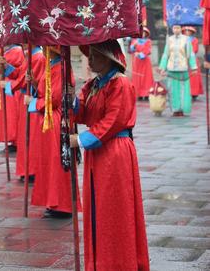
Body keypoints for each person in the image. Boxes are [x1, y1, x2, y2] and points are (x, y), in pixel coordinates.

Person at [70, 40, 149, 271]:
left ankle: (119, 262)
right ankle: (101, 261)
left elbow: (114, 120)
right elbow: (82, 112)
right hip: (99, 151)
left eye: (95, 55)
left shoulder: (120, 84)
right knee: (99, 208)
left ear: (109, 57)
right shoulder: (93, 84)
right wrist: (70, 99)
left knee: (114, 209)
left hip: (114, 152)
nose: (90, 59)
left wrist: (82, 140)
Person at [25, 45, 81, 218]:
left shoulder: (62, 68)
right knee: (49, 162)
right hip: (48, 120)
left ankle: (62, 204)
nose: (44, 49)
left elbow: (54, 99)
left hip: (56, 120)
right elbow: (45, 91)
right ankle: (52, 201)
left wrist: (32, 103)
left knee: (58, 162)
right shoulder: (52, 65)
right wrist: (33, 82)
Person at [3, 45, 45, 180]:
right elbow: (19, 73)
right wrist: (6, 67)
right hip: (27, 101)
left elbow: (24, 81)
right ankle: (27, 170)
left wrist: (9, 86)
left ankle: (32, 170)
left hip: (33, 103)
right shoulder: (31, 56)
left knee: (31, 137)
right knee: (26, 137)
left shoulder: (38, 57)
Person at [159, 25, 197, 116]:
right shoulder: (169, 40)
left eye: (178, 28)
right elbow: (166, 54)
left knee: (183, 91)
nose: (176, 30)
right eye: (174, 28)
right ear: (172, 29)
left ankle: (183, 109)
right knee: (172, 90)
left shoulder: (186, 40)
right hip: (171, 69)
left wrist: (193, 67)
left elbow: (190, 54)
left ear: (181, 29)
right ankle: (175, 109)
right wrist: (162, 68)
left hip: (182, 69)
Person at [130, 27, 154, 101]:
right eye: (141, 32)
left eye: (144, 32)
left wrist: (140, 54)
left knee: (147, 78)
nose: (142, 34)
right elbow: (131, 49)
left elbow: (148, 50)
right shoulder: (134, 40)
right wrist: (133, 47)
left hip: (145, 62)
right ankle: (139, 94)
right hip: (137, 63)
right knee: (137, 78)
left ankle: (146, 94)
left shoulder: (148, 41)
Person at [182, 26, 203, 100]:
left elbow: (195, 49)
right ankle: (185, 92)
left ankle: (194, 93)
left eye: (189, 31)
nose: (187, 32)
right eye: (185, 31)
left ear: (192, 32)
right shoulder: (181, 40)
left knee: (194, 77)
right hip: (183, 60)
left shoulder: (195, 40)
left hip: (192, 60)